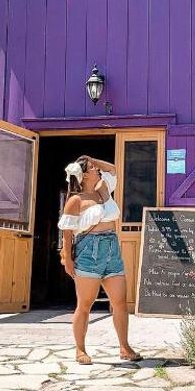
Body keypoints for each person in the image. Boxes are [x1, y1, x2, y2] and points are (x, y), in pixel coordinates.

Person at [58, 154, 142, 364]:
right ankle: (80, 350)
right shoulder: (75, 201)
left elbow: (113, 169)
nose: (98, 170)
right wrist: (67, 259)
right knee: (85, 304)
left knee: (120, 303)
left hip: (112, 250)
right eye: (94, 169)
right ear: (84, 175)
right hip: (89, 251)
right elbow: (67, 234)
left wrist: (89, 158)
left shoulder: (104, 191)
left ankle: (124, 347)